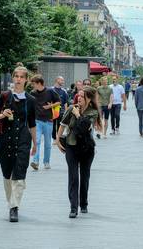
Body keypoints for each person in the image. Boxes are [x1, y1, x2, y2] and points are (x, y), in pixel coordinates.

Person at [0, 65, 37, 222]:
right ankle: (11, 202)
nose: (18, 79)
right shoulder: (5, 96)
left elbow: (32, 123)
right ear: (13, 78)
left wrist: (35, 143)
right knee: (7, 173)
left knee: (19, 172)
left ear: (26, 80)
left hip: (23, 138)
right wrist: (2, 114)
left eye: (21, 77)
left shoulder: (31, 100)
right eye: (16, 76)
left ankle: (14, 207)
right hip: (6, 138)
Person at [56, 86, 102, 218]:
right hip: (71, 146)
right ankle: (73, 207)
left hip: (87, 148)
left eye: (83, 96)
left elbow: (85, 127)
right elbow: (63, 124)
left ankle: (84, 203)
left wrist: (78, 115)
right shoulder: (71, 108)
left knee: (84, 176)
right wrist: (58, 140)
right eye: (79, 95)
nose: (79, 98)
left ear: (89, 98)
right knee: (73, 176)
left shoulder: (93, 112)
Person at [29, 74, 61, 170]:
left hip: (48, 121)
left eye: (33, 84)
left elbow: (58, 102)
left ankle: (46, 162)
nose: (32, 86)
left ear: (39, 83)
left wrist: (49, 106)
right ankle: (35, 162)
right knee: (37, 141)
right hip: (37, 121)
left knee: (47, 144)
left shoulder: (50, 91)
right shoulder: (33, 93)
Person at [52, 76, 68, 141]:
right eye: (61, 80)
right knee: (53, 125)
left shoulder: (64, 91)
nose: (63, 82)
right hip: (52, 110)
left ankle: (58, 138)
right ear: (57, 80)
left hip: (61, 111)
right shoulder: (51, 89)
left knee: (60, 125)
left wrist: (66, 112)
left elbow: (66, 103)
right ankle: (54, 138)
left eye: (63, 80)